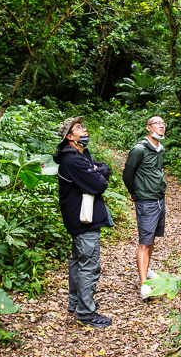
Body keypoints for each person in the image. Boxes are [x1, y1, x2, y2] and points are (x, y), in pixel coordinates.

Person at [53, 116, 113, 328]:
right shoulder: (73, 160)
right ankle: (86, 314)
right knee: (89, 264)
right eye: (79, 128)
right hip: (83, 221)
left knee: (78, 261)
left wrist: (99, 171)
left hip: (80, 219)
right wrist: (99, 173)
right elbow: (98, 185)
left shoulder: (81, 155)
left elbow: (101, 169)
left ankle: (75, 303)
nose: (84, 130)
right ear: (70, 137)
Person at [122, 116, 167, 300]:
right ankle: (144, 285)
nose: (162, 126)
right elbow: (127, 173)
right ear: (148, 128)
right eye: (158, 123)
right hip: (146, 200)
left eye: (164, 124)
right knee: (144, 242)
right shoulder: (139, 149)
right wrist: (134, 191)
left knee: (152, 238)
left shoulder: (160, 149)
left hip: (159, 199)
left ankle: (147, 269)